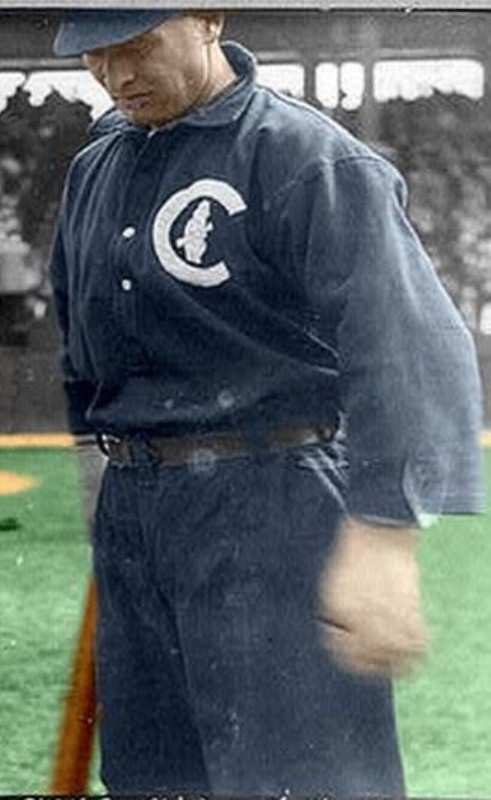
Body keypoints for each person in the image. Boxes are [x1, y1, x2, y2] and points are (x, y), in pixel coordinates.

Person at [50, 9, 483, 795]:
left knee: (301, 779)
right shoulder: (94, 169)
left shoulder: (305, 156)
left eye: (137, 45)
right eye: (95, 55)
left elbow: (408, 346)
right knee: (152, 779)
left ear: (208, 17)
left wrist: (383, 538)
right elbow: (82, 344)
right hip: (135, 518)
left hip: (272, 507)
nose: (116, 76)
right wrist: (106, 498)